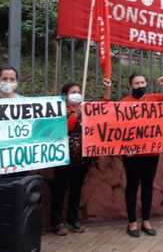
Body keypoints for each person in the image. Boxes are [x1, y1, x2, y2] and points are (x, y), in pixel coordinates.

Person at [121, 74, 163, 238]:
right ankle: (132, 222)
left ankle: (146, 220)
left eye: (142, 82)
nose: (140, 85)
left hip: (151, 152)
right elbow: (118, 127)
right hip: (132, 154)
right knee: (132, 186)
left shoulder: (154, 98)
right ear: (131, 85)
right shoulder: (124, 102)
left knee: (148, 186)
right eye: (136, 83)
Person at [51, 79, 112, 236]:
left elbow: (104, 107)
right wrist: (75, 114)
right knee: (59, 190)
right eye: (73, 92)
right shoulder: (58, 110)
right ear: (65, 95)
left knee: (76, 190)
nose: (77, 95)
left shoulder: (87, 109)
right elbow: (65, 129)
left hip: (82, 158)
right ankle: (57, 223)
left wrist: (107, 89)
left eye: (79, 92)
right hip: (63, 157)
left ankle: (74, 220)